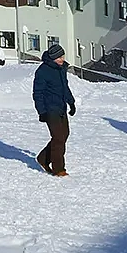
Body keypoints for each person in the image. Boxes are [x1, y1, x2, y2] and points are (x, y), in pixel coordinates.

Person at [31, 44, 76, 176]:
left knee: (64, 134)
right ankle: (59, 169)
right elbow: (37, 93)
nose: (62, 59)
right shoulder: (43, 71)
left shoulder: (61, 69)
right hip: (50, 109)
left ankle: (43, 158)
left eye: (63, 56)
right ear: (53, 58)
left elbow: (65, 88)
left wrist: (71, 102)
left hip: (61, 106)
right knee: (58, 138)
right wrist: (42, 112)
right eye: (59, 57)